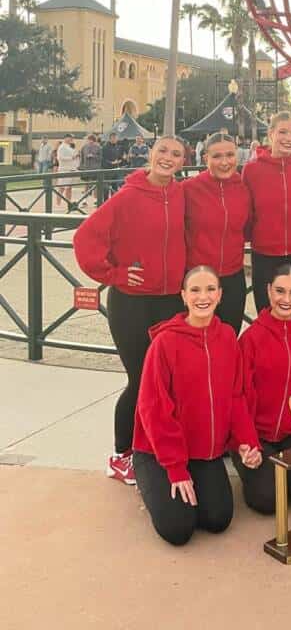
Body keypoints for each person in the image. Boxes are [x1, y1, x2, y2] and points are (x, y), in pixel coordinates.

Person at [73, 136, 188, 486]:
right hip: (132, 302)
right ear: (150, 154)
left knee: (166, 382)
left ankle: (154, 446)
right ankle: (121, 453)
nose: (168, 158)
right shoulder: (127, 197)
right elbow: (85, 238)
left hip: (170, 300)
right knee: (140, 380)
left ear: (184, 161)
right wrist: (114, 274)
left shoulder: (182, 194)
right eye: (163, 151)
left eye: (176, 154)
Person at [132, 266, 262, 546]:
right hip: (159, 453)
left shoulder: (228, 337)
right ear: (183, 296)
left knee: (218, 520)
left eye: (210, 289)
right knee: (178, 530)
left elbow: (236, 396)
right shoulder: (165, 342)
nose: (203, 297)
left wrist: (247, 442)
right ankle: (146, 480)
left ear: (220, 295)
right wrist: (176, 469)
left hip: (204, 451)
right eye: (195, 290)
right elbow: (153, 409)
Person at [234, 265, 291, 513]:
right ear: (269, 291)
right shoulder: (250, 338)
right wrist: (246, 442)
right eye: (280, 291)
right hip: (257, 434)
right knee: (267, 500)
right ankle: (250, 467)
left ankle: (283, 470)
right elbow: (238, 395)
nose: (286, 299)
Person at [242, 111, 291, 312]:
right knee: (267, 314)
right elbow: (246, 212)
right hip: (265, 254)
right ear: (271, 134)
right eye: (283, 132)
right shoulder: (252, 170)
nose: (289, 138)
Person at [183, 133, 253, 335]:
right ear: (206, 158)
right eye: (217, 156)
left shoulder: (243, 189)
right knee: (195, 340)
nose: (224, 162)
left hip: (232, 278)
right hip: (197, 278)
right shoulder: (188, 189)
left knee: (229, 337)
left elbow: (249, 227)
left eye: (230, 155)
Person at [55, 134, 79, 210]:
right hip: (64, 169)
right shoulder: (62, 147)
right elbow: (60, 158)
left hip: (71, 169)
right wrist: (71, 158)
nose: (71, 139)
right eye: (70, 138)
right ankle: (58, 203)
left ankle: (69, 203)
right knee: (62, 187)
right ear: (66, 138)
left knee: (69, 187)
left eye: (72, 138)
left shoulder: (69, 147)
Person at [79, 134, 103, 205]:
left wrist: (93, 156)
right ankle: (84, 200)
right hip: (86, 168)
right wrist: (81, 167)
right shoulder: (84, 147)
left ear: (94, 140)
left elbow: (100, 158)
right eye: (89, 140)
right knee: (86, 184)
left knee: (95, 185)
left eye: (91, 140)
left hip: (95, 168)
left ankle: (95, 200)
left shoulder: (98, 147)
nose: (90, 141)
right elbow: (82, 158)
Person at [102, 133, 127, 197]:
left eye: (116, 138)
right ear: (110, 138)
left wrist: (122, 159)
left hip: (116, 170)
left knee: (115, 188)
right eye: (113, 138)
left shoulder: (118, 147)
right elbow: (102, 159)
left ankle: (114, 204)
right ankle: (106, 204)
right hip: (107, 171)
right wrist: (111, 163)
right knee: (106, 190)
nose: (115, 139)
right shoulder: (105, 147)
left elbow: (120, 157)